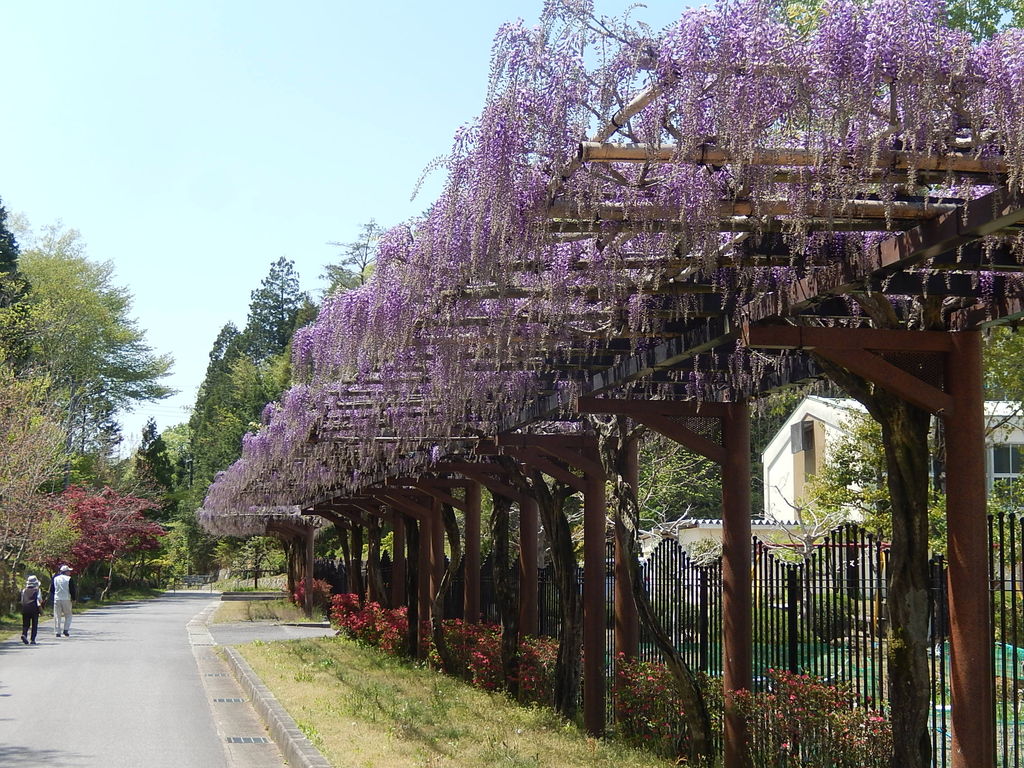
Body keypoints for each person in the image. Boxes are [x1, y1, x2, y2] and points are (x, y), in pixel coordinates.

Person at [51, 564, 76, 638]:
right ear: (65, 572)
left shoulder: (55, 578)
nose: (70, 572)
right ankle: (66, 630)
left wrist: (55, 595)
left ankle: (57, 632)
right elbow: (72, 590)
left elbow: (52, 589)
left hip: (57, 599)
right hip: (66, 599)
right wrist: (74, 599)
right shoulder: (69, 579)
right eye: (69, 571)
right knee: (68, 615)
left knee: (57, 616)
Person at [19, 575, 42, 644]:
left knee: (25, 624)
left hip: (25, 608)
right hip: (34, 608)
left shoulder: (24, 590)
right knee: (34, 624)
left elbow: (22, 600)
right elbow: (39, 600)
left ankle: (24, 634)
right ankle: (32, 639)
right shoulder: (37, 590)